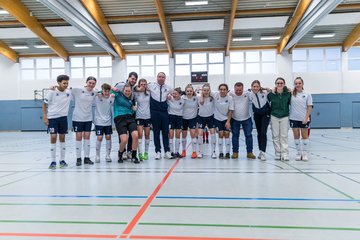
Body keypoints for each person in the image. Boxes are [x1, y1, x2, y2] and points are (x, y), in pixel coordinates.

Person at [42, 75, 71, 169]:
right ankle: (52, 161)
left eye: (67, 83)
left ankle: (62, 160)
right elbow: (44, 104)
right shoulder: (52, 92)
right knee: (53, 136)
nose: (66, 85)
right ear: (58, 83)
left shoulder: (69, 92)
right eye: (64, 83)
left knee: (62, 138)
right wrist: (45, 117)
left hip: (63, 118)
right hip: (52, 118)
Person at [72, 76, 98, 166]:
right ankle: (78, 158)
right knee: (78, 137)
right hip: (77, 118)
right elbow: (65, 89)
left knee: (87, 137)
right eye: (89, 83)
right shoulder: (78, 89)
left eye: (93, 83)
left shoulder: (95, 92)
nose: (91, 84)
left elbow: (104, 92)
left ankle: (86, 158)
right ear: (86, 82)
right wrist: (53, 87)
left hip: (88, 118)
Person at [147, 72, 173, 160]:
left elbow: (174, 97)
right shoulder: (150, 85)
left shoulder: (169, 88)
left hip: (164, 113)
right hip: (154, 112)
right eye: (159, 76)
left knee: (165, 132)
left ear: (165, 78)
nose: (161, 78)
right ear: (157, 77)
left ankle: (167, 151)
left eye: (163, 77)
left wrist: (170, 96)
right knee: (156, 133)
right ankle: (158, 151)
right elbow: (140, 87)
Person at [114, 72, 138, 160]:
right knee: (123, 138)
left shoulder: (133, 90)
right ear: (128, 78)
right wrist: (112, 90)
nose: (133, 80)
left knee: (134, 135)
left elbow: (132, 103)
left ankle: (132, 153)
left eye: (135, 79)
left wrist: (133, 108)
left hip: (130, 116)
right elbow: (107, 89)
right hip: (119, 117)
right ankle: (122, 152)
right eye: (132, 78)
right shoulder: (120, 86)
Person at [229, 82, 256, 160]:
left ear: (243, 89)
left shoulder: (248, 93)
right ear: (234, 89)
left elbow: (257, 92)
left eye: (240, 90)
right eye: (236, 90)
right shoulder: (230, 93)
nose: (238, 92)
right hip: (234, 119)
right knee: (235, 136)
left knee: (248, 135)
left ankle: (249, 152)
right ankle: (235, 152)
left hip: (247, 118)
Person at [267, 77, 291, 161]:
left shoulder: (288, 94)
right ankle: (278, 153)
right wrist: (270, 90)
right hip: (274, 116)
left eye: (281, 83)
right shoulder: (271, 94)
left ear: (284, 84)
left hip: (284, 116)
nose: (280, 84)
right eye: (278, 83)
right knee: (275, 135)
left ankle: (285, 153)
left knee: (284, 135)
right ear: (275, 84)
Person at [290, 77, 313, 161]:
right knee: (296, 136)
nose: (297, 85)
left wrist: (306, 117)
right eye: (296, 83)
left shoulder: (307, 94)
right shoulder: (291, 93)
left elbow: (309, 107)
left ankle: (305, 154)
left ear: (302, 84)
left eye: (299, 83)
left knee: (304, 136)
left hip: (304, 118)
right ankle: (298, 153)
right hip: (293, 118)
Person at [248, 80, 271, 161]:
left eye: (257, 86)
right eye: (254, 86)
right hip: (257, 115)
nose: (255, 88)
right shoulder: (249, 94)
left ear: (260, 86)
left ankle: (263, 152)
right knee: (258, 133)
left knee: (263, 133)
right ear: (251, 87)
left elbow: (273, 90)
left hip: (266, 114)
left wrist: (267, 88)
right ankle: (260, 152)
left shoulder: (265, 92)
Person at [94, 83, 114, 163]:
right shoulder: (97, 97)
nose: (106, 93)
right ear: (102, 90)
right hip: (99, 121)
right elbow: (93, 90)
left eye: (108, 91)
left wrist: (111, 91)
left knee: (108, 137)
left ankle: (108, 155)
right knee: (99, 138)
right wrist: (99, 92)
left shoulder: (112, 97)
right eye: (105, 91)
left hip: (108, 122)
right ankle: (97, 155)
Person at [213, 83, 233, 159]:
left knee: (227, 134)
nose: (222, 91)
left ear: (227, 90)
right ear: (219, 90)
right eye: (221, 89)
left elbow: (231, 110)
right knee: (220, 134)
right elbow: (205, 91)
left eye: (224, 89)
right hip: (217, 119)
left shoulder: (230, 98)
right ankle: (221, 153)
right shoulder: (215, 95)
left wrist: (228, 121)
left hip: (226, 119)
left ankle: (227, 153)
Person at [134, 79, 151, 161]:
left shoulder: (149, 93)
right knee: (140, 134)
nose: (143, 85)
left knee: (147, 134)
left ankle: (146, 153)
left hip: (148, 116)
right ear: (139, 85)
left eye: (145, 84)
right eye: (142, 84)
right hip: (139, 116)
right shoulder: (136, 93)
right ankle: (140, 153)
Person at [198, 83, 216, 158]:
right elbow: (201, 102)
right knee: (200, 134)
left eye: (207, 90)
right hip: (201, 117)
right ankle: (200, 152)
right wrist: (201, 95)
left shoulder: (213, 97)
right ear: (202, 91)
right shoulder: (198, 97)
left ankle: (213, 152)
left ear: (209, 90)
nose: (206, 91)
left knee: (213, 133)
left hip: (210, 117)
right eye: (204, 90)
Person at [181, 84, 199, 159]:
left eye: (190, 91)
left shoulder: (196, 98)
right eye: (187, 91)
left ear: (193, 91)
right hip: (183, 118)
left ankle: (194, 152)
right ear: (185, 91)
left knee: (193, 134)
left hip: (193, 118)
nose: (189, 92)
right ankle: (183, 151)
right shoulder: (182, 98)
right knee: (184, 135)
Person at [167, 87, 184, 158]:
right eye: (173, 93)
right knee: (171, 135)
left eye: (175, 94)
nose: (173, 95)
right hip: (171, 117)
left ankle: (177, 152)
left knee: (177, 135)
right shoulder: (169, 99)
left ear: (180, 94)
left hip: (179, 118)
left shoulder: (183, 100)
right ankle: (171, 152)